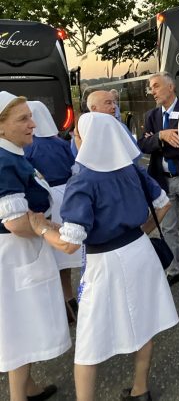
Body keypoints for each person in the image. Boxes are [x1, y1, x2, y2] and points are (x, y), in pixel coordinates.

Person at [28, 112, 179, 401]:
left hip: (104, 261)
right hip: (139, 251)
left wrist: (41, 228)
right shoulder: (131, 170)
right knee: (144, 320)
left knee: (88, 335)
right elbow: (163, 205)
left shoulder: (83, 181)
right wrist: (136, 234)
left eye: (77, 134)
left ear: (86, 140)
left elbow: (70, 244)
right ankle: (140, 389)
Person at [0, 91, 71, 401]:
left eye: (30, 116)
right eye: (23, 119)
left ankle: (28, 387)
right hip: (15, 256)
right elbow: (15, 222)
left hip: (22, 254)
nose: (33, 124)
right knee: (18, 330)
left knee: (22, 325)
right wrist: (48, 229)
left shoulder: (13, 153)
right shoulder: (4, 161)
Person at [24, 101, 81, 323]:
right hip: (68, 197)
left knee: (50, 256)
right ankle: (70, 300)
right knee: (67, 253)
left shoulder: (29, 146)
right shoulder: (60, 143)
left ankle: (60, 306)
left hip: (47, 200)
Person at [138, 72, 179, 286]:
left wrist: (161, 140)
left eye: (156, 86)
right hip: (163, 180)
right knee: (168, 228)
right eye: (151, 87)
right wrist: (160, 136)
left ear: (171, 87)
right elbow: (142, 145)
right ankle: (173, 269)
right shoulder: (152, 116)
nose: (152, 91)